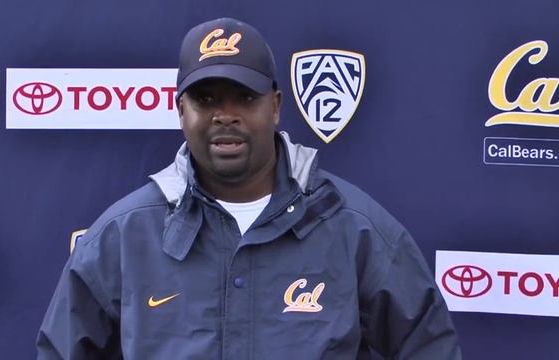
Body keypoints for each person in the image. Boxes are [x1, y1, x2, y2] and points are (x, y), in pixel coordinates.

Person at [36, 17, 462, 359]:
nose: (225, 115)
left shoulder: (356, 230)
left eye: (244, 97)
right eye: (205, 100)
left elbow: (429, 346)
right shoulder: (123, 236)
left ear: (275, 106)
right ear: (179, 110)